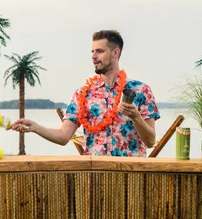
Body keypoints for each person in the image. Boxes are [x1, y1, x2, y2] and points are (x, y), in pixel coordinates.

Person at [10, 30, 160, 156]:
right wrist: (36, 127)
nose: (93, 56)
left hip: (131, 177)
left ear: (115, 52)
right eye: (92, 51)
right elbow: (63, 136)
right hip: (94, 177)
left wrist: (136, 117)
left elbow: (150, 141)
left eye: (100, 51)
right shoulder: (82, 94)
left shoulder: (141, 90)